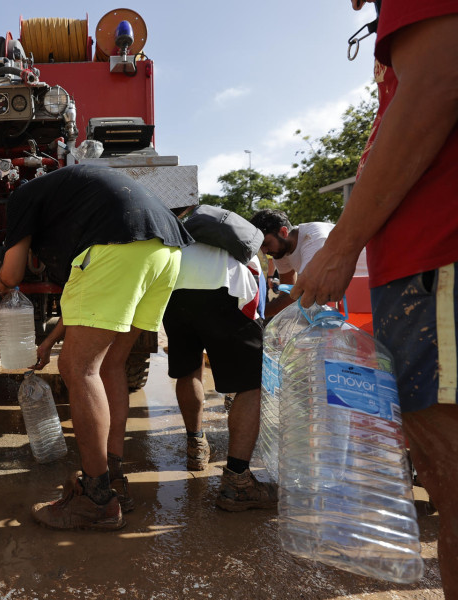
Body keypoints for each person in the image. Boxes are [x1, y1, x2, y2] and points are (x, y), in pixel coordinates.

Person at [290, 2, 458, 596]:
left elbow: (437, 82)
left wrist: (341, 248)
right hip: (421, 268)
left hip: (436, 258)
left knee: (450, 470)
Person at [0, 163, 192, 531]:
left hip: (117, 248)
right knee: (109, 366)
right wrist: (52, 340)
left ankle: (96, 497)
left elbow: (12, 274)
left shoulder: (22, 196)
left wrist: (1, 282)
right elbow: (87, 301)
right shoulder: (75, 195)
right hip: (165, 251)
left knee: (78, 369)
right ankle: (113, 476)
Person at [162, 239, 276, 510]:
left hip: (174, 293)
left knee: (188, 370)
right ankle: (238, 482)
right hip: (223, 291)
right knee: (252, 382)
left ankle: (196, 447)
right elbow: (255, 305)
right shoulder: (242, 246)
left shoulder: (181, 240)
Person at [249, 209, 368, 317]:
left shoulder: (313, 239)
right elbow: (288, 296)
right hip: (347, 295)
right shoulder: (280, 251)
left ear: (284, 232)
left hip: (365, 287)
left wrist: (255, 314)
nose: (264, 251)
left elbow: (304, 293)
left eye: (266, 243)